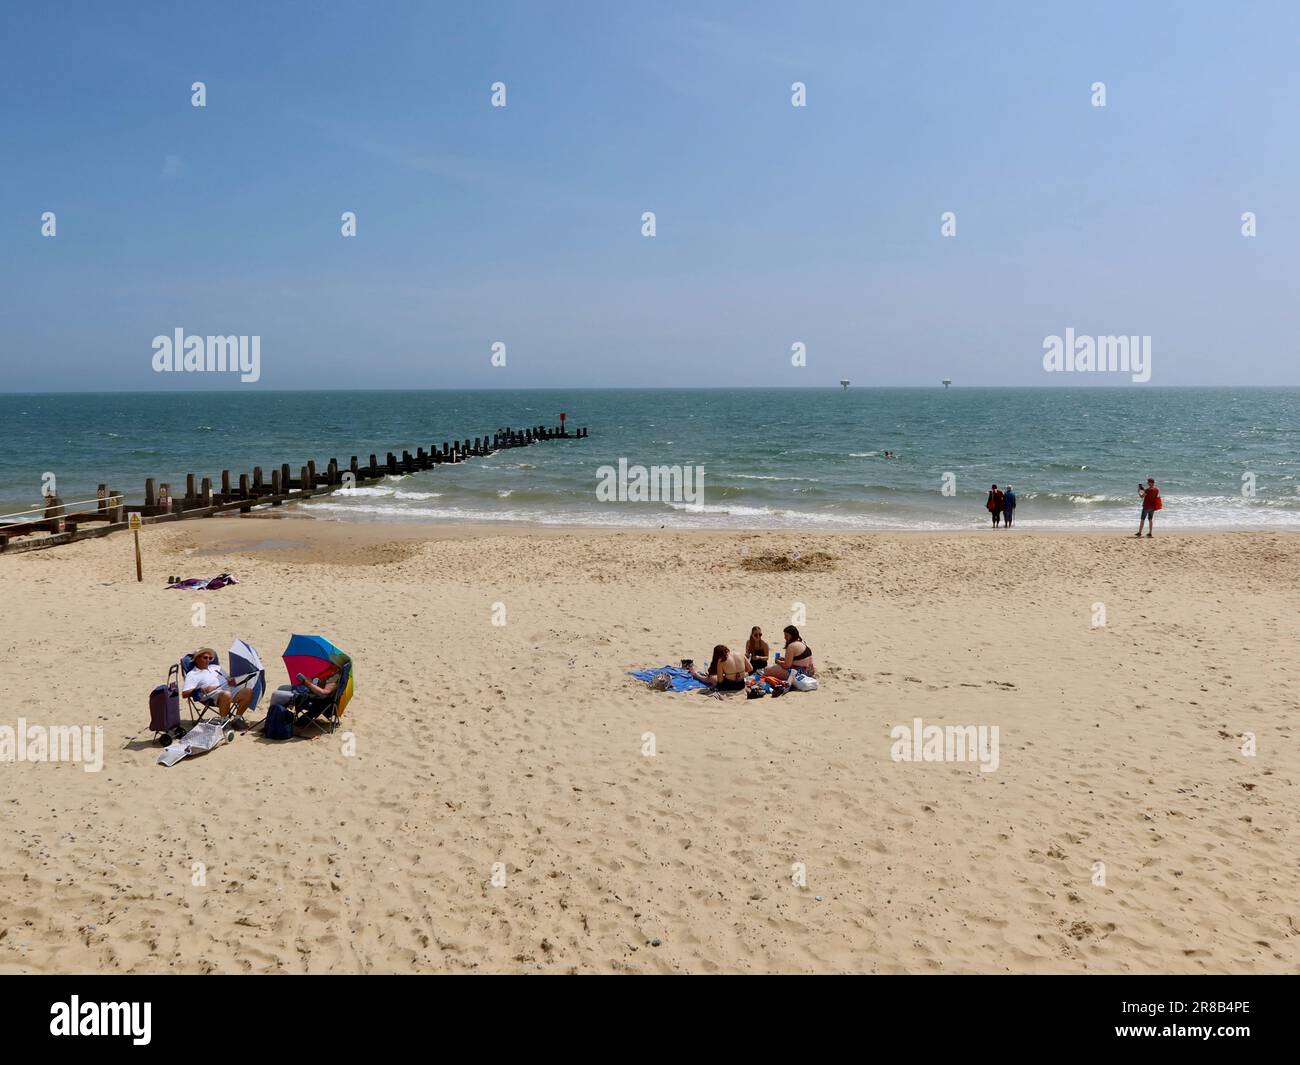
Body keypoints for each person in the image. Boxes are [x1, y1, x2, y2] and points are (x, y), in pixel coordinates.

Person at [182, 647, 254, 729]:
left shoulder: (215, 667)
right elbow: (184, 694)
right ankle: (224, 721)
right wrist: (203, 690)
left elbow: (229, 678)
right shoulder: (193, 674)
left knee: (248, 691)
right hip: (210, 695)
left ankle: (237, 719)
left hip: (228, 689)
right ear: (196, 659)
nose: (208, 660)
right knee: (226, 694)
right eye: (205, 657)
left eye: (210, 658)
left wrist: (233, 680)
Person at [269, 669, 340, 721]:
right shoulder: (332, 673)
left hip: (312, 700)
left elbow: (323, 693)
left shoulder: (335, 678)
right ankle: (279, 717)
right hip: (312, 695)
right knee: (282, 688)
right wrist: (312, 682)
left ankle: (273, 720)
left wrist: (307, 683)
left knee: (276, 695)